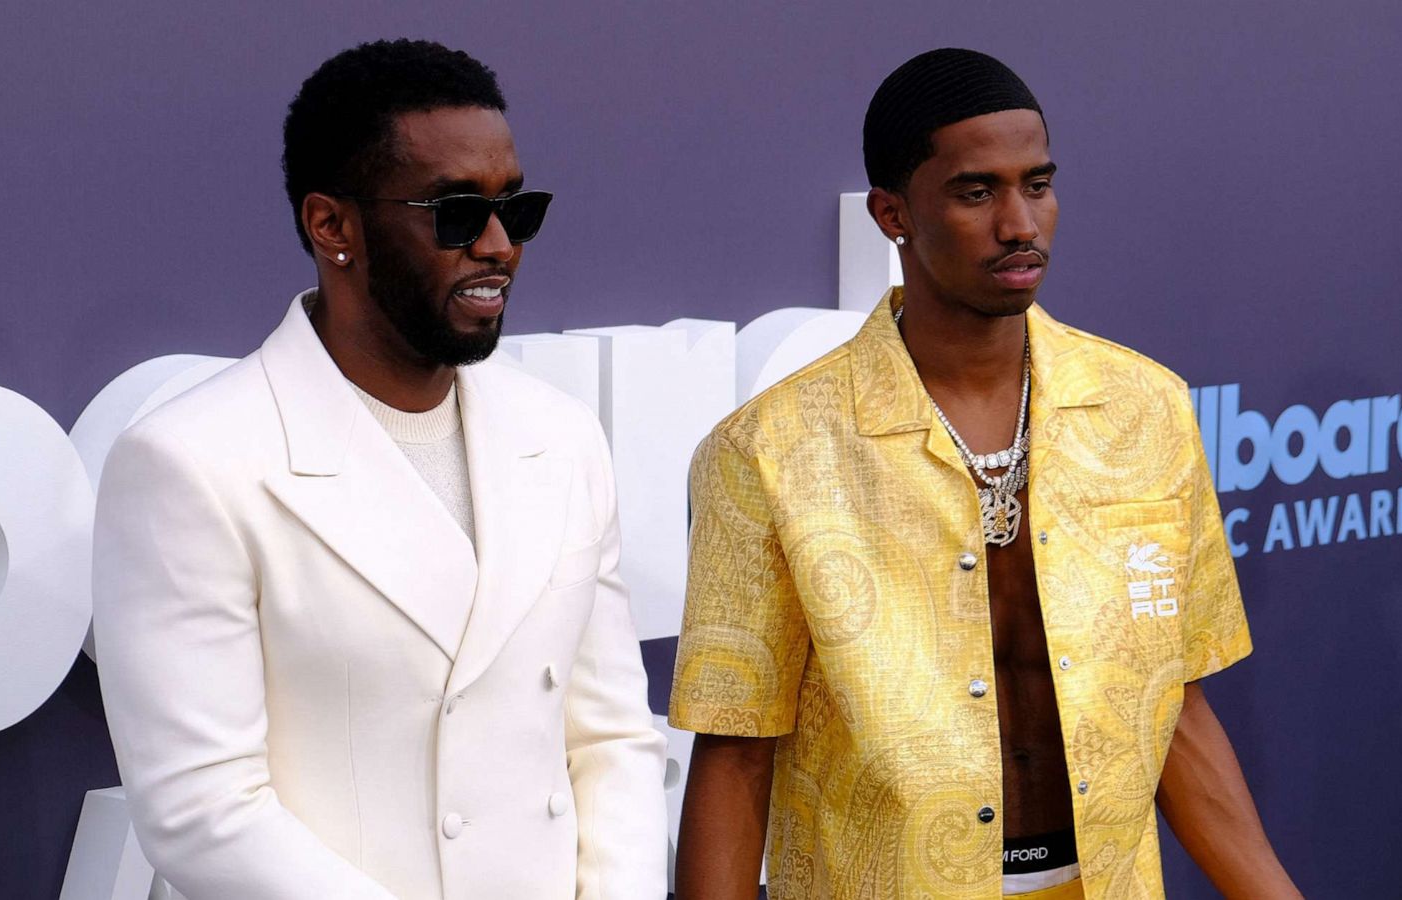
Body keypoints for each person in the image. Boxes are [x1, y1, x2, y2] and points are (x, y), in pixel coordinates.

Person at [669, 49, 1300, 900]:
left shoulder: (1146, 410)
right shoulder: (771, 450)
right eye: (977, 192)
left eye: (1037, 185)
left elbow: (1173, 704)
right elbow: (736, 747)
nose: (1020, 223)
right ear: (893, 214)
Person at [93, 39, 665, 899]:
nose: (500, 245)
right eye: (455, 214)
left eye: (518, 207)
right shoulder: (193, 461)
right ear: (333, 227)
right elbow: (203, 810)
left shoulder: (561, 436)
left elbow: (612, 735)